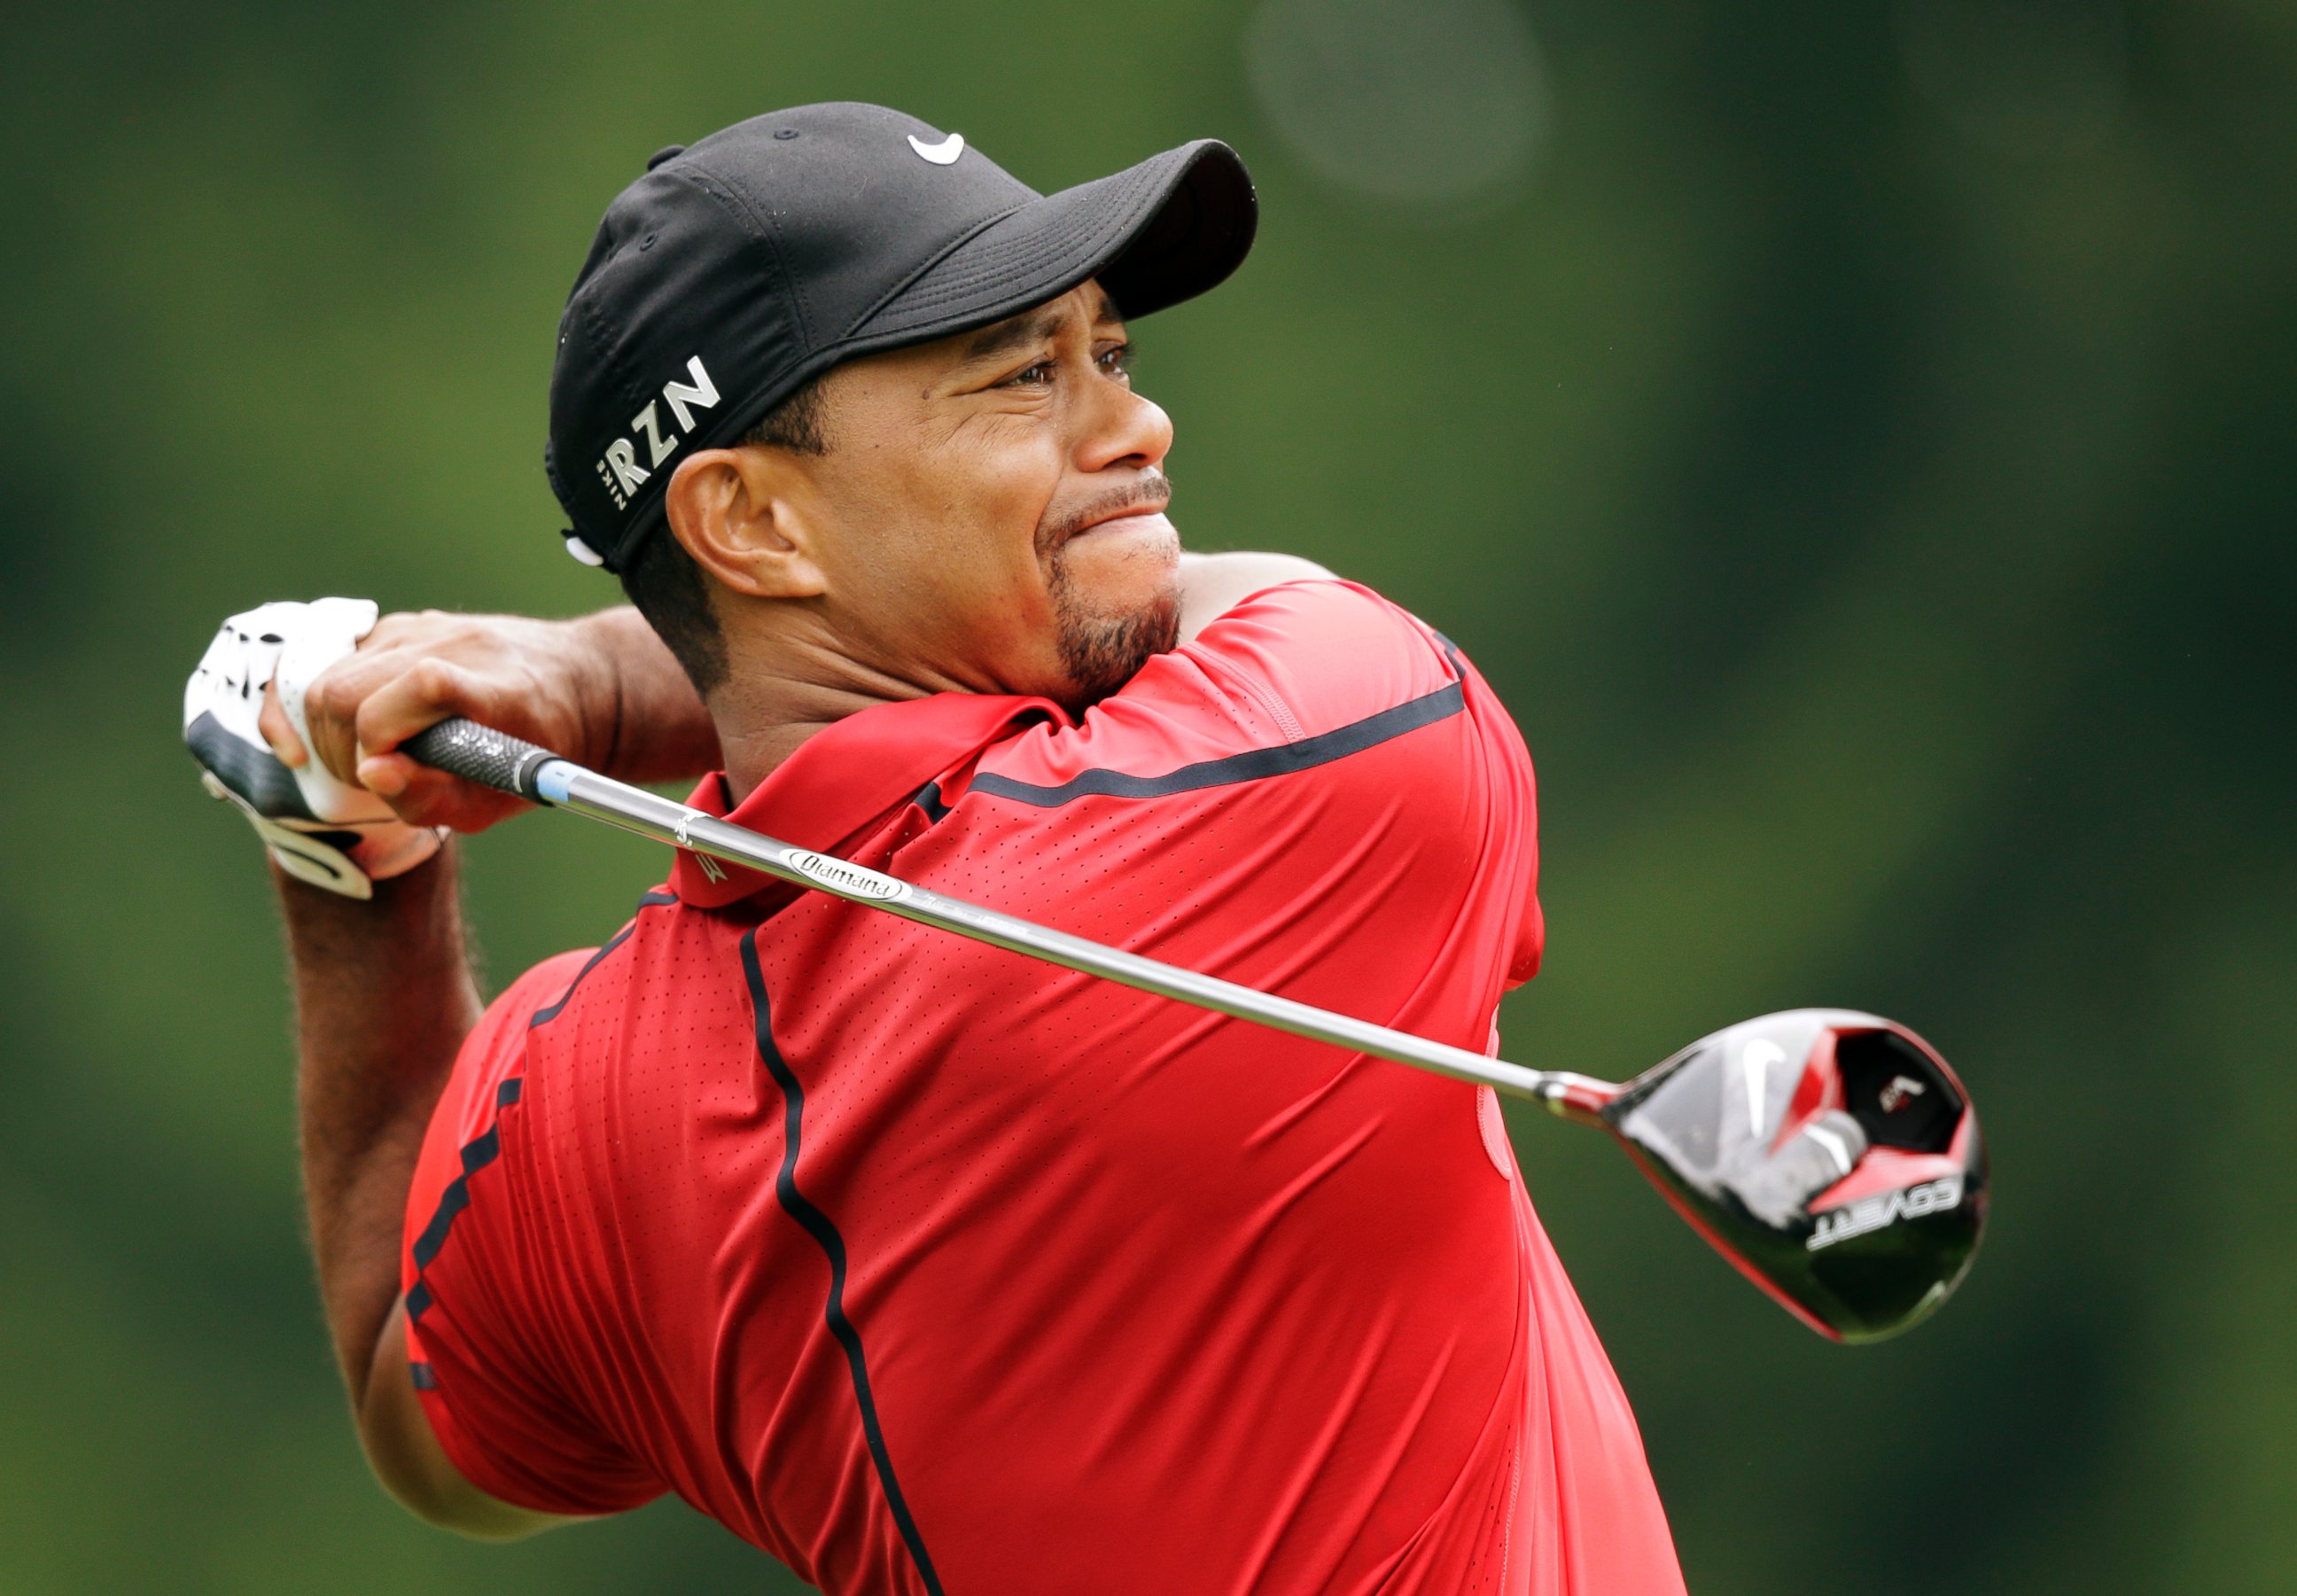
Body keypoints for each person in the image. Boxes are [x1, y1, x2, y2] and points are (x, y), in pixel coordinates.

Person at [184, 103, 1688, 1594]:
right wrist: (591, 683)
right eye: (1023, 375)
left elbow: (415, 1396)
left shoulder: (574, 1115)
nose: (1135, 423)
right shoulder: (1305, 774)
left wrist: (344, 854)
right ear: (755, 524)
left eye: (1110, 351)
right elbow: (1225, 607)